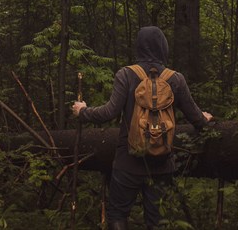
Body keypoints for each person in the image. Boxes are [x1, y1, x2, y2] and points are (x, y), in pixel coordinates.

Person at [72, 26, 213, 229]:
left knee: (118, 214)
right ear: (163, 47)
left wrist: (83, 111)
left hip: (127, 162)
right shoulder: (175, 79)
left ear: (139, 46)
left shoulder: (126, 74)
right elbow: (196, 120)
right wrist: (205, 118)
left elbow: (109, 112)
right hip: (163, 164)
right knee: (157, 221)